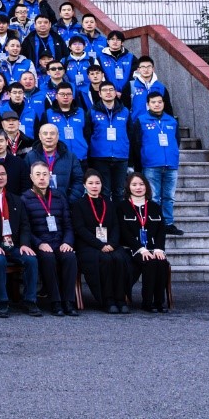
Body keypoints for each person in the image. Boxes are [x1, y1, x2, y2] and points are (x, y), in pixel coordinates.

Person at [0, 161, 42, 318]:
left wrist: (25, 244)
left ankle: (30, 300)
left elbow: (25, 225)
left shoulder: (16, 199)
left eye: (3, 174)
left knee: (31, 259)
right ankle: (2, 302)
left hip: (13, 245)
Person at [21, 161, 79, 316]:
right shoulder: (25, 199)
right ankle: (55, 301)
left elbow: (68, 224)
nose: (42, 178)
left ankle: (69, 301)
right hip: (40, 243)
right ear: (31, 177)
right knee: (47, 258)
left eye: (45, 174)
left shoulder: (59, 196)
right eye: (38, 174)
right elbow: (25, 229)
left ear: (50, 176)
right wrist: (39, 244)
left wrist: (67, 241)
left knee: (70, 257)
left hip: (60, 241)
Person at [72, 170, 131, 313]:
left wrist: (111, 244)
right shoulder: (78, 204)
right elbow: (80, 229)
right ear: (84, 185)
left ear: (102, 185)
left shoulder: (108, 203)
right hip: (88, 246)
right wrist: (100, 245)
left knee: (120, 257)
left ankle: (120, 299)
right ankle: (107, 300)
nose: (94, 186)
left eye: (97, 183)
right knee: (105, 260)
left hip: (110, 244)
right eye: (90, 183)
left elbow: (116, 226)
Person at [130, 92, 183, 235]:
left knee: (169, 197)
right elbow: (136, 143)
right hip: (151, 164)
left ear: (164, 103)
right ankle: (154, 222)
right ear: (148, 104)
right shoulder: (141, 121)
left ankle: (168, 223)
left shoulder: (172, 121)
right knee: (153, 196)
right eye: (153, 102)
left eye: (159, 102)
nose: (157, 104)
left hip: (171, 165)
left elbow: (176, 141)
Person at [119, 172, 171, 313]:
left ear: (147, 187)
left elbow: (161, 229)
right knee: (150, 261)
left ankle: (159, 302)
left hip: (153, 247)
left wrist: (159, 248)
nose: (138, 187)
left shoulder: (154, 206)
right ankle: (147, 302)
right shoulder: (122, 207)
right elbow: (124, 233)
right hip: (132, 249)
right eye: (134, 184)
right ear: (128, 187)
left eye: (141, 184)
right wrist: (141, 249)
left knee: (161, 262)